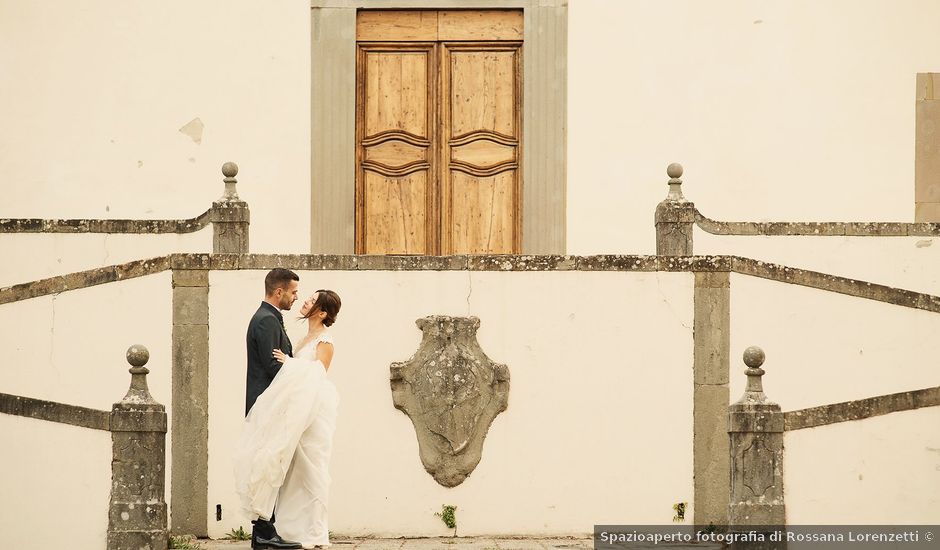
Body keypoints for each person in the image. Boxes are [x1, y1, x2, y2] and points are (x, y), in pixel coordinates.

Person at [235, 288, 343, 550]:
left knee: (313, 467)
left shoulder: (325, 341)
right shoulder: (303, 338)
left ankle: (316, 532)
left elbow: (318, 373)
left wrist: (288, 364)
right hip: (297, 410)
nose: (305, 300)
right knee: (294, 469)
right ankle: (291, 528)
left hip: (314, 412)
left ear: (323, 311)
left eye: (312, 299)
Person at [240, 268, 302, 550]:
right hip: (267, 404)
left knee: (271, 465)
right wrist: (296, 367)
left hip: (271, 403)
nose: (295, 297)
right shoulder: (266, 321)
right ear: (279, 292)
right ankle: (264, 532)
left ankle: (264, 532)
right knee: (267, 467)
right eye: (293, 292)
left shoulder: (269, 318)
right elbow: (272, 366)